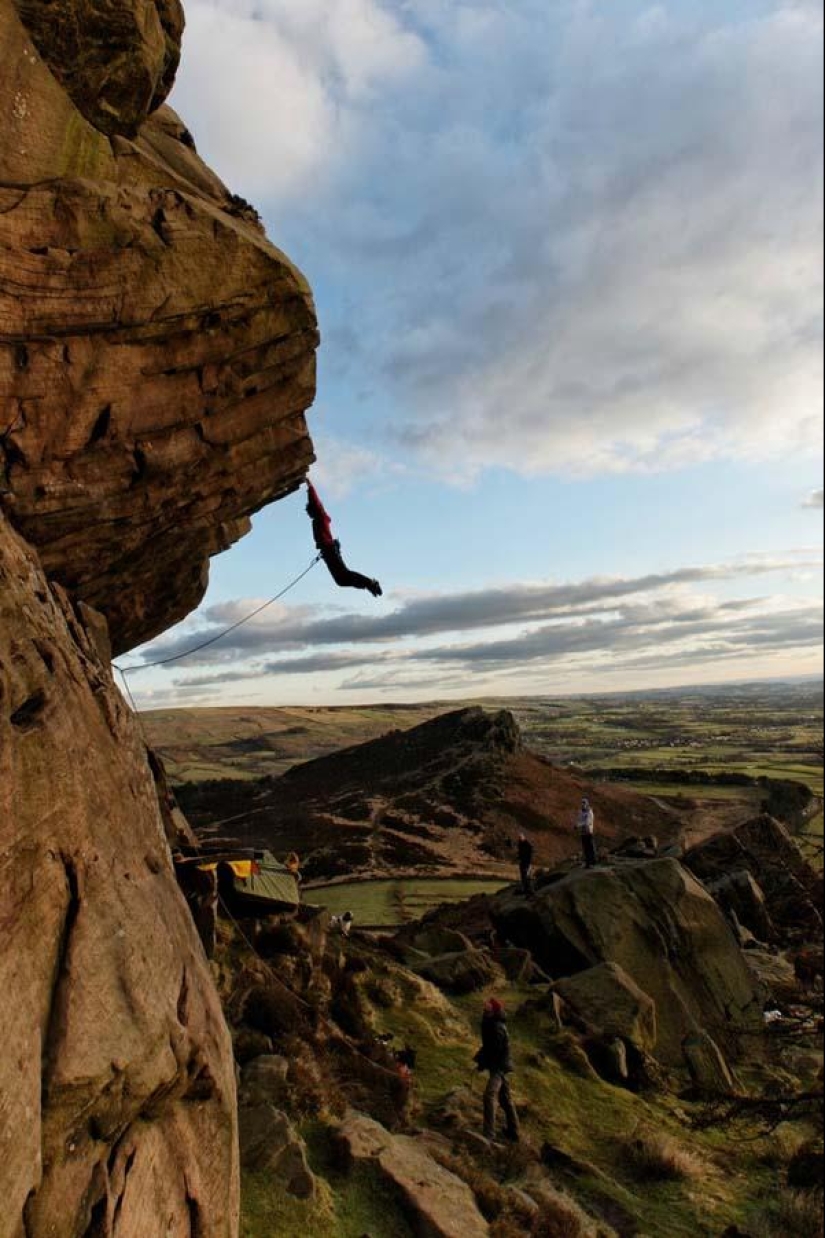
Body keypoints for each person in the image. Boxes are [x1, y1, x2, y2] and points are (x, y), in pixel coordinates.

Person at [306, 481, 382, 597]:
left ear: (312, 510)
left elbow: (316, 502)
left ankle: (370, 583)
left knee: (344, 575)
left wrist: (309, 486)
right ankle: (368, 585)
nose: (309, 515)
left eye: (309, 512)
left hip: (330, 549)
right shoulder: (317, 520)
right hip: (327, 551)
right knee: (341, 581)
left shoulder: (320, 516)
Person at [474, 997, 520, 1143]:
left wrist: (482, 1063)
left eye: (488, 1003)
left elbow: (495, 1050)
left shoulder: (497, 1026)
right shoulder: (488, 1022)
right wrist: (481, 1062)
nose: (485, 1004)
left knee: (489, 1095)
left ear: (493, 1009)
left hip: (499, 1066)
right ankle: (514, 1132)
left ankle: (489, 1134)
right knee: (505, 1099)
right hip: (497, 1064)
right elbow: (488, 1046)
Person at [576, 797, 597, 868]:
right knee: (585, 848)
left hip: (588, 832)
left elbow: (587, 822)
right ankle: (587, 863)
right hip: (582, 833)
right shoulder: (580, 812)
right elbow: (579, 820)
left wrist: (578, 825)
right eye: (582, 802)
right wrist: (577, 824)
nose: (582, 804)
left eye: (584, 802)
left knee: (590, 847)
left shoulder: (590, 812)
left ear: (587, 803)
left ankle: (593, 862)